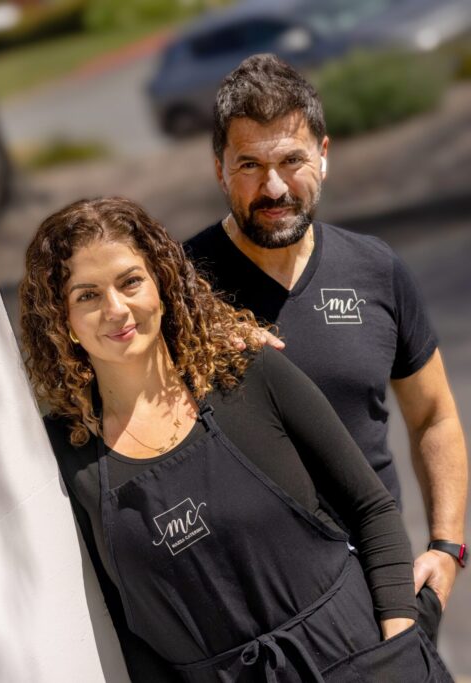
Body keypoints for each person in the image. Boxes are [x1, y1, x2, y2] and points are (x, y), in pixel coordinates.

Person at [19, 197, 452, 681]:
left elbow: (371, 509)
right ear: (62, 321)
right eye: (87, 295)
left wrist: (399, 645)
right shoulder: (66, 456)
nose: (115, 309)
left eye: (130, 281)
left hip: (363, 660)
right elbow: (123, 631)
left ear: (161, 282)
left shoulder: (247, 375)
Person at [183, 54, 467, 633]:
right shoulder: (179, 290)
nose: (274, 187)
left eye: (292, 160)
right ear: (218, 170)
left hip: (387, 599)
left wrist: (447, 549)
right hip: (262, 622)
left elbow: (434, 416)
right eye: (249, 165)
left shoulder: (376, 269)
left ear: (324, 155)